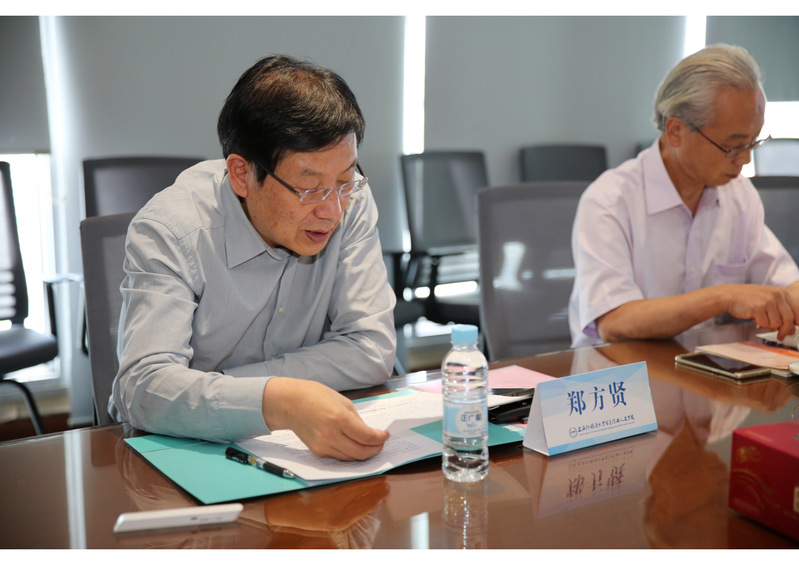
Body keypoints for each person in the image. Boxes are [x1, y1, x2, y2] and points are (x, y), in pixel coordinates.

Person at [110, 55, 396, 461]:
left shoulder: (352, 203)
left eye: (345, 180)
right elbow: (143, 388)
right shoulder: (172, 229)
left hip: (307, 451)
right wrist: (277, 401)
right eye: (309, 188)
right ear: (242, 174)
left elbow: (371, 348)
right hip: (185, 454)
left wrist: (235, 388)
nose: (332, 211)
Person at [569, 44, 799, 348]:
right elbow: (614, 322)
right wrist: (723, 297)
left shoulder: (738, 195)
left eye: (753, 143)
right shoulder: (610, 201)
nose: (745, 160)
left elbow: (785, 285)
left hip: (703, 367)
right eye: (732, 146)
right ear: (676, 131)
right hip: (622, 373)